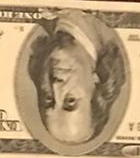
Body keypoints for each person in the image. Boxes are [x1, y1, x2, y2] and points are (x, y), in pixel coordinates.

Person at [26, 10, 126, 148]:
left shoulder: (47, 20)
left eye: (48, 99)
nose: (55, 86)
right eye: (70, 100)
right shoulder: (100, 24)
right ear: (97, 81)